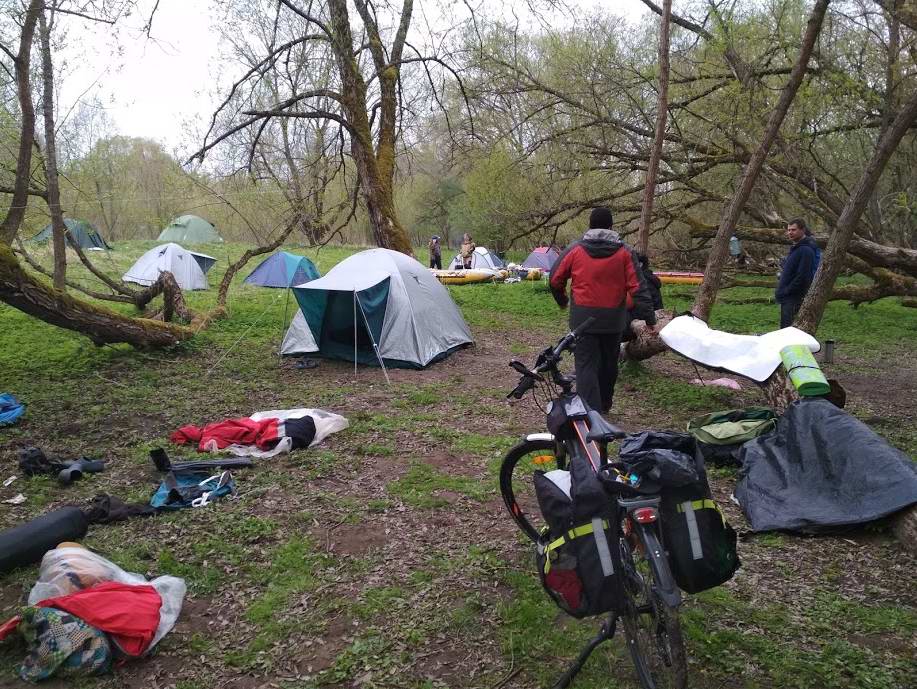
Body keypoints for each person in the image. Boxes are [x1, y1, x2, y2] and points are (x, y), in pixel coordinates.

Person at [549, 207, 657, 415]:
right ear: (611, 226)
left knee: (586, 365)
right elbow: (639, 287)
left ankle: (591, 412)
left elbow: (555, 279)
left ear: (589, 226)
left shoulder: (576, 249)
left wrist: (562, 300)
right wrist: (649, 318)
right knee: (609, 364)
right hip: (613, 320)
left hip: (582, 319)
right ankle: (604, 406)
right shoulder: (625, 252)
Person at [775, 218, 821, 328]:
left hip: (794, 297)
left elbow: (803, 276)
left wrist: (787, 291)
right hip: (787, 297)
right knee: (785, 328)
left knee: (789, 330)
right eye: (789, 230)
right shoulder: (796, 248)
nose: (790, 232)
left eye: (793, 230)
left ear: (803, 230)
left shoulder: (806, 250)